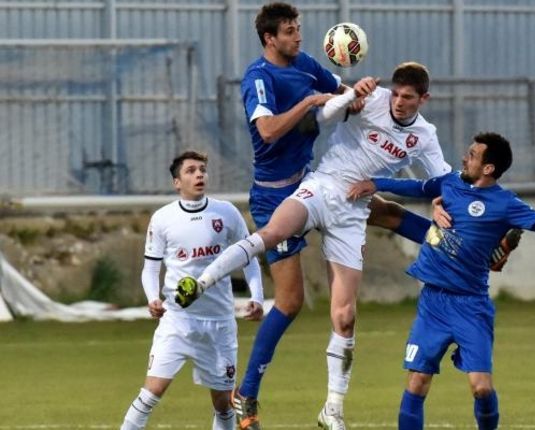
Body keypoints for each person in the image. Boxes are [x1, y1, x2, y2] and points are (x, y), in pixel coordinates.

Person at [177, 60, 462, 429]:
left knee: (345, 315)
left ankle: (333, 410)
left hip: (352, 211)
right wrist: (347, 98)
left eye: (409, 97)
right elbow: (322, 116)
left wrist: (444, 203)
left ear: (424, 98)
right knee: (276, 241)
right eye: (397, 94)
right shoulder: (370, 97)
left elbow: (441, 180)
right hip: (319, 187)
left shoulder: (424, 135)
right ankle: (200, 283)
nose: (400, 102)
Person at [347, 132, 535, 430]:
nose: (464, 158)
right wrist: (375, 182)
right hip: (434, 301)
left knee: (481, 388)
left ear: (488, 168)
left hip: (471, 305)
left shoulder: (505, 203)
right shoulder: (450, 182)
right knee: (418, 381)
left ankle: (497, 251)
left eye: (472, 155)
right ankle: (497, 252)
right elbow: (416, 187)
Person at [120, 151, 264, 430]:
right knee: (150, 393)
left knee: (223, 404)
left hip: (219, 322)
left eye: (202, 170)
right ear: (177, 182)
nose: (199, 175)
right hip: (177, 320)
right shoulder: (163, 218)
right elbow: (150, 268)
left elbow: (250, 259)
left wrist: (256, 297)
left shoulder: (226, 213)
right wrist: (153, 298)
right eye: (190, 171)